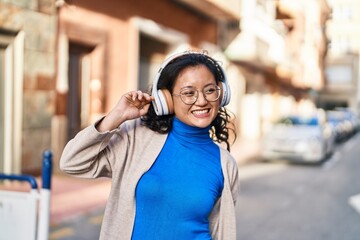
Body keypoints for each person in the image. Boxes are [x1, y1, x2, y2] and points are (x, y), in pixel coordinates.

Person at [60, 50, 240, 240]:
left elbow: (221, 231)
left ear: (222, 93)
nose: (202, 101)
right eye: (188, 93)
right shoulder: (136, 138)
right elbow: (72, 162)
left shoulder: (225, 164)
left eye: (210, 90)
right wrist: (117, 116)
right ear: (167, 100)